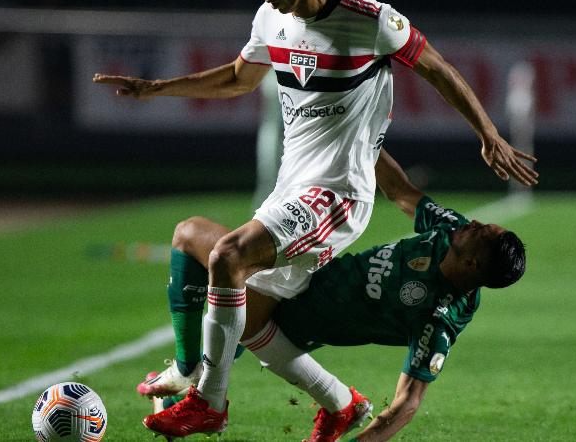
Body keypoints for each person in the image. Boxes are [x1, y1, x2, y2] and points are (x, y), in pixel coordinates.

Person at [94, 0, 538, 436]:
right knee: (210, 259)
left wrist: (487, 131)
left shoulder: (370, 21)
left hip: (339, 197)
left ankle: (208, 401)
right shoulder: (271, 18)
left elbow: (436, 68)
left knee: (227, 256)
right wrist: (159, 89)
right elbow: (240, 78)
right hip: (291, 189)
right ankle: (336, 400)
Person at [152, 149, 528, 441]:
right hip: (313, 267)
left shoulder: (439, 315)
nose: (473, 223)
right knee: (207, 263)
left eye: (481, 232)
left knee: (203, 252)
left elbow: (408, 402)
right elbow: (399, 190)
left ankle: (194, 381)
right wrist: (365, 136)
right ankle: (336, 404)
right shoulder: (452, 229)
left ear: (474, 265)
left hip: (305, 317)